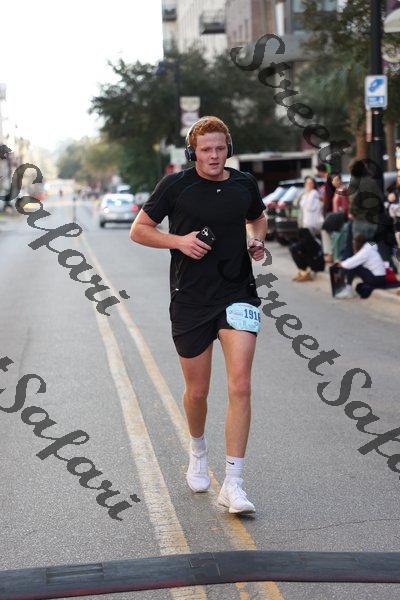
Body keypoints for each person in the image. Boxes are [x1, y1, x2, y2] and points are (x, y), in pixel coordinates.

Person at [130, 116, 267, 514]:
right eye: (206, 149)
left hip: (238, 294)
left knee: (241, 385)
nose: (214, 155)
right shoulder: (176, 186)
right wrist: (178, 241)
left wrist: (257, 240)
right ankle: (198, 450)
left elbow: (257, 218)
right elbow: (139, 230)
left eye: (220, 148)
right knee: (198, 392)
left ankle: (234, 484)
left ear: (229, 149)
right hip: (190, 299)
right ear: (194, 152)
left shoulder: (244, 184)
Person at [335, 234, 386, 299]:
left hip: (376, 279)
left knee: (354, 266)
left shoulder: (365, 251)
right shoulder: (370, 246)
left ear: (358, 243)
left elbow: (352, 262)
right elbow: (374, 244)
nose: (353, 245)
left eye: (354, 243)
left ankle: (348, 290)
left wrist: (341, 264)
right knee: (359, 286)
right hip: (381, 278)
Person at [320, 174, 349, 263]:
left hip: (340, 220)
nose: (338, 182)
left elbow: (345, 207)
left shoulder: (342, 190)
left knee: (337, 239)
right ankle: (333, 256)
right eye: (335, 180)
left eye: (338, 180)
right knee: (334, 238)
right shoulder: (335, 191)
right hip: (336, 220)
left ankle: (336, 258)